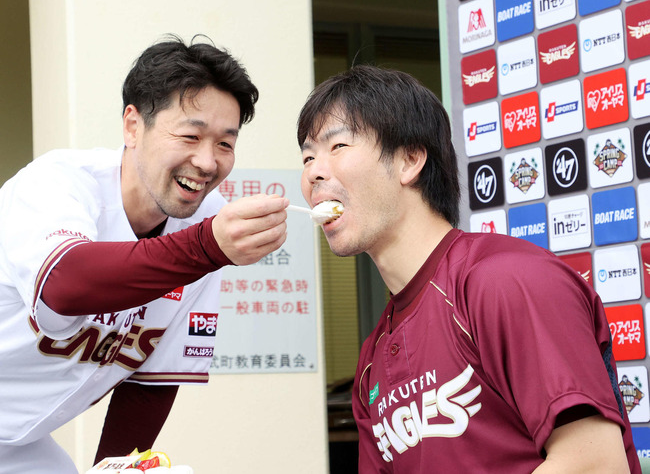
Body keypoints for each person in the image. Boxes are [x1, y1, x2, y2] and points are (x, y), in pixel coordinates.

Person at [297, 65, 640, 473]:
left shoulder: (506, 281)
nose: (315, 172)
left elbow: (595, 465)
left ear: (410, 159)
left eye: (337, 147)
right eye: (307, 156)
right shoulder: (371, 360)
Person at [0, 35, 289, 473]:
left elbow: (154, 378)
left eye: (225, 144)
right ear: (133, 126)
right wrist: (208, 247)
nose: (208, 162)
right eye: (190, 135)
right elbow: (64, 284)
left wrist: (116, 468)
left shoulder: (205, 221)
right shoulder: (58, 183)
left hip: (24, 444)